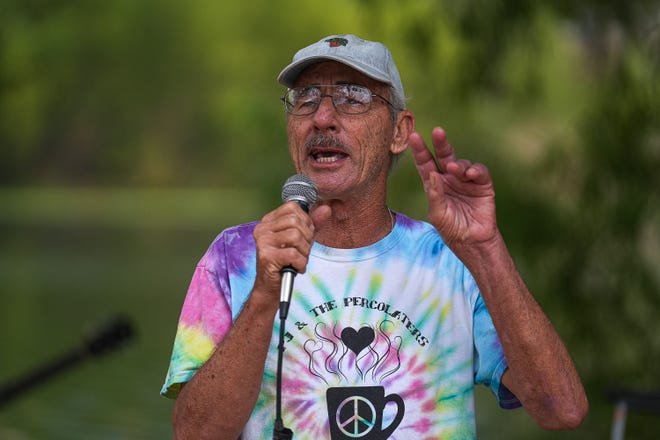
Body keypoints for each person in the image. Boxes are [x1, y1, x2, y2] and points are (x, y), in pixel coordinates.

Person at [161, 34, 588, 439]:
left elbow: (561, 410)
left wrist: (486, 250)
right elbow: (193, 434)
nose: (322, 118)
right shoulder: (236, 256)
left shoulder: (452, 260)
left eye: (352, 97)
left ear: (399, 131)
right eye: (305, 99)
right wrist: (262, 298)